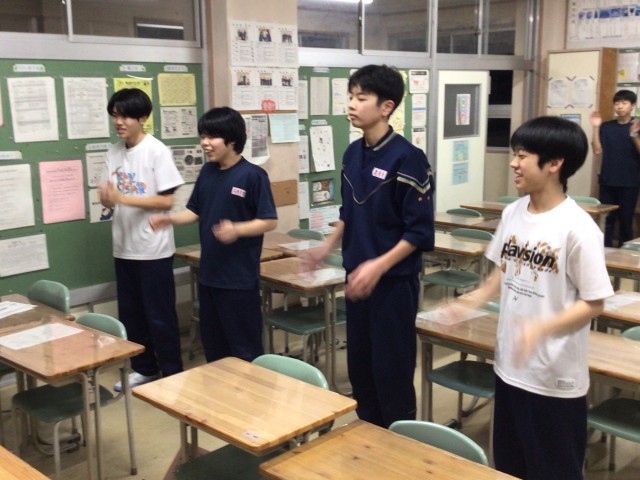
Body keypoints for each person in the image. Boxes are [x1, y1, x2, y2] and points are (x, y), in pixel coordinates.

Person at [444, 116, 614, 480]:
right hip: (509, 366)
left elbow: (595, 301)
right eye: (515, 154)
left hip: (553, 378)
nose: (513, 163)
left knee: (553, 470)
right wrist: (472, 300)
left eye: (522, 155)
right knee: (510, 465)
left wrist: (540, 328)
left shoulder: (578, 227)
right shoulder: (513, 213)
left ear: (554, 164)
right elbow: (504, 271)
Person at [306, 64, 435, 428]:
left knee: (391, 370)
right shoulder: (352, 153)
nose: (351, 104)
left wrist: (378, 265)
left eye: (361, 98)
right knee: (361, 366)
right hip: (356, 278)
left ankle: (398, 441)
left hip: (393, 284)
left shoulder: (408, 158)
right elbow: (349, 212)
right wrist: (326, 246)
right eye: (350, 96)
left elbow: (419, 232)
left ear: (386, 107)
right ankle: (367, 433)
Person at [150, 107, 277, 363]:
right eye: (203, 136)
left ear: (232, 139)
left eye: (212, 136)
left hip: (238, 280)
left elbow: (269, 221)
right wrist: (169, 219)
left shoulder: (253, 176)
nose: (204, 143)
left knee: (244, 351)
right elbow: (194, 211)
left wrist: (237, 229)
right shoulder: (208, 171)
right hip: (209, 276)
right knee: (214, 350)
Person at [98, 88, 184, 391]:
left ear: (143, 118)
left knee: (160, 316)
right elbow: (109, 197)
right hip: (123, 247)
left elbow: (166, 201)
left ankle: (173, 372)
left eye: (126, 116)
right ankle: (145, 368)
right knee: (132, 316)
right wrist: (107, 199)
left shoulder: (156, 151)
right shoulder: (113, 152)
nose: (119, 122)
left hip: (153, 249)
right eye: (115, 115)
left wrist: (121, 198)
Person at [590, 89, 640, 246]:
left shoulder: (637, 125)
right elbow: (597, 150)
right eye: (617, 103)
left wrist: (634, 135)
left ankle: (624, 254)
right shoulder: (607, 126)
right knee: (606, 220)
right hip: (608, 180)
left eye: (624, 103)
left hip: (630, 181)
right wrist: (596, 127)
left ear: (632, 105)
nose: (620, 106)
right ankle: (604, 251)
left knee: (626, 220)